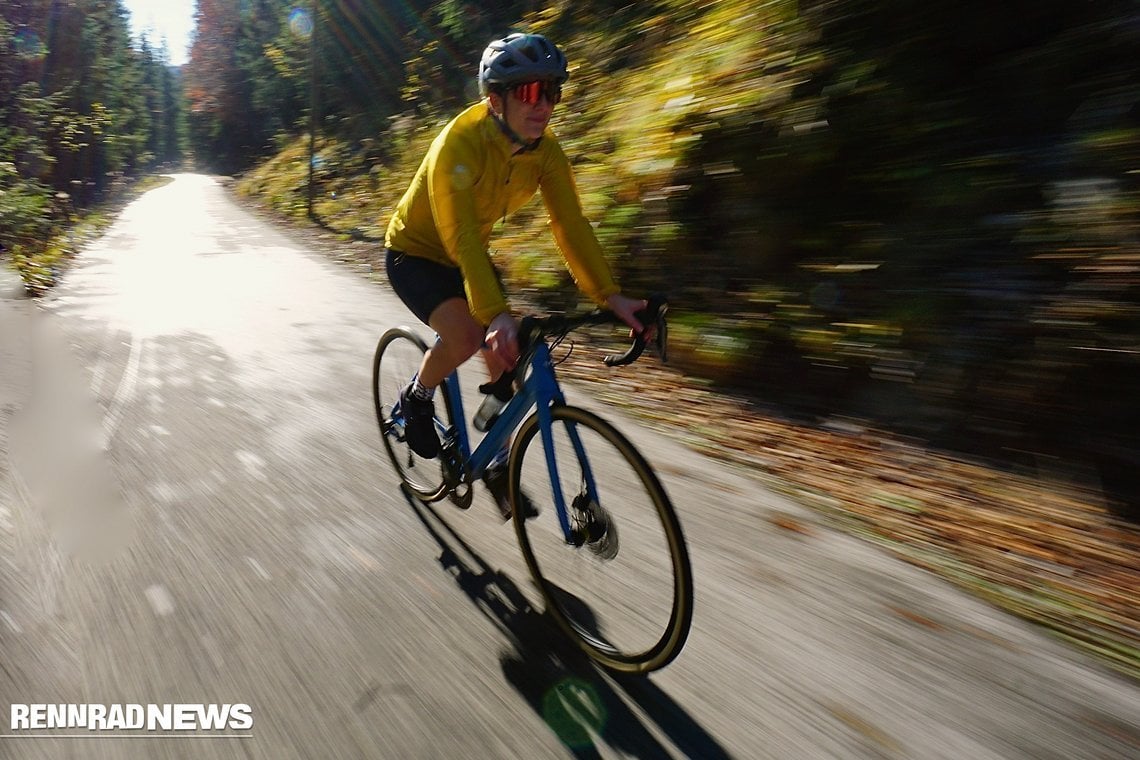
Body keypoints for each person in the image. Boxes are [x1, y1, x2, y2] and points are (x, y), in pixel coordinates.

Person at [384, 32, 647, 518]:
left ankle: (497, 462)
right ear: (494, 98)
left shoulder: (545, 152)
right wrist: (494, 315)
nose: (543, 105)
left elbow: (570, 225)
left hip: (467, 256)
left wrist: (611, 296)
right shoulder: (458, 146)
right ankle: (416, 398)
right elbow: (460, 235)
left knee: (510, 349)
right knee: (468, 338)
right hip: (416, 252)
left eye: (551, 91)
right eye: (528, 91)